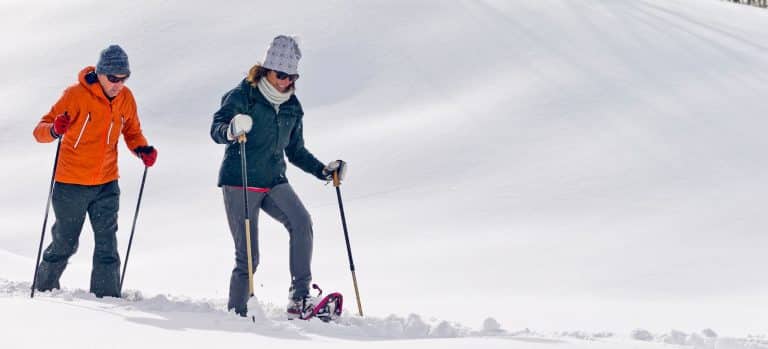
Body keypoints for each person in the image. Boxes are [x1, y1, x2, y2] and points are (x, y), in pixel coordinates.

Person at [210, 35, 346, 318]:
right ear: (266, 70)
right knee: (249, 256)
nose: (286, 81)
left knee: (302, 222)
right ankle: (238, 313)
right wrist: (230, 130)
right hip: (240, 180)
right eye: (281, 75)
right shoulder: (243, 95)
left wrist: (323, 170)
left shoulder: (292, 106)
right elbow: (217, 128)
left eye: (292, 76)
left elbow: (295, 151)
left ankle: (299, 299)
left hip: (273, 179)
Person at [32, 44, 158, 298]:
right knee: (65, 242)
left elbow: (132, 131)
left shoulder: (126, 98)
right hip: (71, 184)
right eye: (113, 78)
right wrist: (55, 129)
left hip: (106, 183)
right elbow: (40, 130)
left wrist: (142, 149)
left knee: (107, 244)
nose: (118, 84)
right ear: (100, 73)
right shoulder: (75, 95)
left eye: (124, 78)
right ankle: (43, 289)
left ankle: (107, 297)